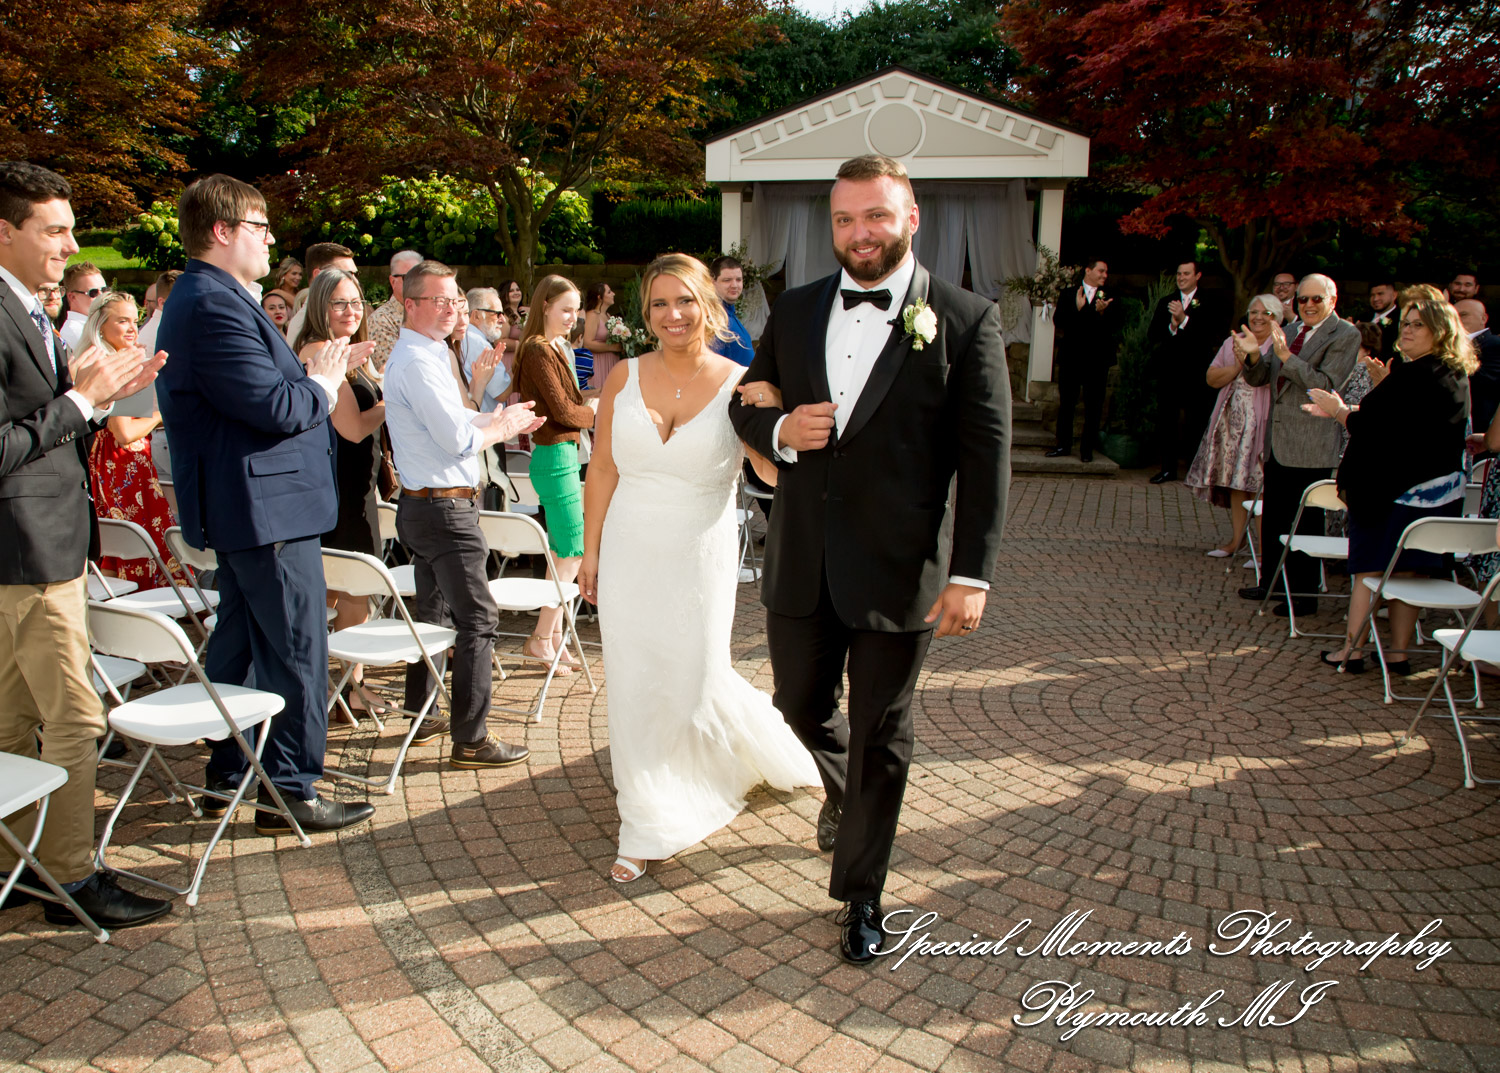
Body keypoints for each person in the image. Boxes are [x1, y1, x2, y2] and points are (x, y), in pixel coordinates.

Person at [727, 154, 1010, 964]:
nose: (860, 233)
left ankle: (862, 892)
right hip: (801, 562)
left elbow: (986, 461)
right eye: (845, 219)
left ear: (911, 218)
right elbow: (746, 405)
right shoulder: (799, 308)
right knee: (799, 707)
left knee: (884, 729)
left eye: (876, 216)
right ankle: (846, 800)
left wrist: (972, 572)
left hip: (901, 571)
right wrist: (782, 433)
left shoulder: (964, 319)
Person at [578, 254, 820, 884]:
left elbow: (771, 475)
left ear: (708, 304)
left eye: (684, 301)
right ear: (647, 313)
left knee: (693, 676)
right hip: (629, 549)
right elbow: (601, 468)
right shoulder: (622, 376)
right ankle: (647, 819)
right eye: (659, 304)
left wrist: (777, 418)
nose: (672, 315)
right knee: (632, 681)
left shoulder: (740, 381)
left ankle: (719, 758)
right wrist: (591, 551)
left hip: (700, 555)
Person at [157, 174, 376, 836]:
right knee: (296, 649)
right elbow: (275, 406)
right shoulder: (212, 304)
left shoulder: (214, 297)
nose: (271, 238)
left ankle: (229, 768)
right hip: (266, 512)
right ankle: (290, 787)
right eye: (259, 226)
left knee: (240, 644)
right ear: (222, 232)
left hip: (256, 509)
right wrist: (323, 381)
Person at [0, 160, 171, 929]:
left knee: (10, 720)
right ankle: (69, 873)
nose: (71, 245)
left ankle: (16, 862)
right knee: (75, 718)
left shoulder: (26, 309)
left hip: (39, 545)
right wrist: (81, 399)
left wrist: (86, 382)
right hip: (28, 551)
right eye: (54, 230)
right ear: (5, 231)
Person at [382, 260, 544, 768]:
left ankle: (424, 713)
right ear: (410, 305)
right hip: (443, 508)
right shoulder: (417, 360)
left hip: (427, 504)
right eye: (440, 300)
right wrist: (500, 428)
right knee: (478, 618)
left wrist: (496, 418)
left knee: (432, 612)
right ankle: (471, 740)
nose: (453, 309)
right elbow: (456, 439)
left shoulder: (428, 353)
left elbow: (455, 422)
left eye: (455, 299)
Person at [1306, 288, 1474, 674]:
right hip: (1435, 498)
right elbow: (1413, 425)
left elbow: (1377, 429)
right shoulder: (1452, 374)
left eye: (1419, 325)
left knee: (1370, 572)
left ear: (1442, 330)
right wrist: (1386, 384)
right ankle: (1397, 652)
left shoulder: (1415, 375)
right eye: (1406, 324)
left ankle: (1351, 650)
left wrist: (1338, 411)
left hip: (1392, 495)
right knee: (1409, 570)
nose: (1408, 331)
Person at [291, 269, 401, 722]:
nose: (351, 311)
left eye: (356, 303)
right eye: (339, 303)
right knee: (353, 587)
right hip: (339, 486)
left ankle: (338, 684)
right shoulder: (320, 352)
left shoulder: (347, 354)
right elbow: (353, 429)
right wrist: (399, 397)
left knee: (338, 589)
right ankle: (344, 688)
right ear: (319, 306)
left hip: (353, 482)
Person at [1238, 273, 1361, 615]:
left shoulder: (1346, 334)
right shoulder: (1290, 331)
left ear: (1332, 301)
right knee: (1276, 517)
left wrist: (1287, 357)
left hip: (1311, 441)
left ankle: (1304, 597)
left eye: (1315, 299)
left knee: (1304, 521)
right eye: (1302, 300)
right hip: (1278, 439)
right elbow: (1263, 377)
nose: (1307, 305)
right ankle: (1272, 584)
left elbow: (1325, 384)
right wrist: (1251, 357)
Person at [513, 275, 598, 669]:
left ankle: (553, 637)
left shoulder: (552, 348)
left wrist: (585, 409)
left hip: (562, 454)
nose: (573, 317)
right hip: (554, 455)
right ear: (544, 306)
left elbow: (569, 406)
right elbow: (565, 412)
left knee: (566, 553)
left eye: (577, 309)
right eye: (566, 309)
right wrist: (594, 411)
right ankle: (542, 638)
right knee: (571, 553)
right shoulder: (538, 351)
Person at [81, 291, 181, 585]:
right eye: (121, 321)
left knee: (118, 547)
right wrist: (161, 414)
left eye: (133, 320)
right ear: (100, 325)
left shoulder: (116, 359)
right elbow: (123, 433)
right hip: (120, 467)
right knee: (122, 545)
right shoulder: (111, 365)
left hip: (125, 465)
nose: (131, 328)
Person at [1184, 295, 1280, 556]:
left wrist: (1253, 360)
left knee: (1259, 484)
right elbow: (1212, 377)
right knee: (1236, 482)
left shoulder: (1280, 345)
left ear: (1277, 319)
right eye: (1254, 312)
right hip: (1231, 423)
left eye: (1266, 313)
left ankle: (1263, 552)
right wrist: (1238, 365)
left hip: (1263, 424)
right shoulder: (1232, 341)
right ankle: (1237, 541)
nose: (1258, 317)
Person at [1149, 260, 1226, 483]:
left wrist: (1184, 321)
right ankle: (1167, 469)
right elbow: (1153, 335)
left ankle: (1195, 470)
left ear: (1197, 275)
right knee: (1167, 422)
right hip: (1170, 372)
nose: (1181, 277)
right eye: (1179, 273)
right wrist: (1172, 327)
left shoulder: (1210, 301)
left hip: (1197, 372)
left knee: (1196, 421)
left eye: (1186, 273)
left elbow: (1212, 335)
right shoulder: (1167, 301)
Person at [1047, 257, 1122, 463]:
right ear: (1088, 271)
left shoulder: (1111, 297)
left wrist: (1103, 312)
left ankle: (1087, 450)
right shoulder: (1069, 294)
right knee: (1067, 404)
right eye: (1101, 271)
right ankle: (1063, 445)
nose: (1104, 275)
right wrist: (1079, 309)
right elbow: (1059, 321)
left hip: (1097, 361)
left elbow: (1116, 325)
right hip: (1072, 358)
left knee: (1094, 406)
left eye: (1106, 272)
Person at [282, 242, 357, 346]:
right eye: (346, 273)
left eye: (355, 274)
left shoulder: (344, 316)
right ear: (318, 275)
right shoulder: (305, 324)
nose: (354, 280)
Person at [367, 249, 423, 374]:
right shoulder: (381, 321)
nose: (416, 283)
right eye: (408, 277)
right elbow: (392, 371)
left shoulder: (429, 314)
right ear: (393, 281)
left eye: (420, 277)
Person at [464, 286, 512, 411]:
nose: (502, 320)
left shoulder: (467, 337)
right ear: (476, 316)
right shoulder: (477, 342)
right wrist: (520, 365)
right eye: (497, 314)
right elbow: (501, 393)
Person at [1457, 299, 1500, 435]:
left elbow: (1487, 381)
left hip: (1480, 424)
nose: (1457, 319)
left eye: (1463, 315)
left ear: (1484, 318)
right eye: (1454, 316)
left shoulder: (1495, 344)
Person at [709, 256, 755, 367]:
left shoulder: (729, 315)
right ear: (712, 283)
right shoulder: (714, 320)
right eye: (727, 280)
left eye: (738, 280)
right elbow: (711, 367)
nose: (734, 285)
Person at [580, 282, 625, 388]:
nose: (613, 294)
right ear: (599, 297)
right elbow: (587, 343)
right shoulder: (592, 315)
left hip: (611, 362)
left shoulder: (608, 316)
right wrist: (613, 347)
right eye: (609, 292)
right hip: (598, 364)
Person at [59, 259, 104, 351]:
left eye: (104, 290)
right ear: (72, 297)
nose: (101, 296)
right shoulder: (73, 332)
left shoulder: (98, 324)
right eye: (93, 292)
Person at [1367, 279, 1399, 358]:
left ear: (1394, 295)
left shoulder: (1400, 319)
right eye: (1372, 295)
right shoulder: (1363, 318)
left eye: (1380, 294)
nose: (1375, 299)